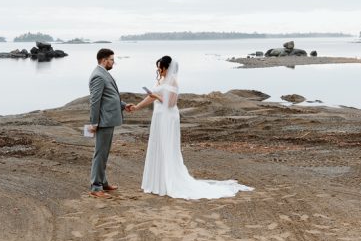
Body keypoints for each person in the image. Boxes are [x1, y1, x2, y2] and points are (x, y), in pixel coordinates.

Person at [133, 56, 253, 199]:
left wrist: (157, 97)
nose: (159, 70)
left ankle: (167, 181)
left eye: (161, 67)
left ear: (167, 68)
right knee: (157, 144)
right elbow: (152, 97)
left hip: (168, 117)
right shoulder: (160, 80)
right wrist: (137, 106)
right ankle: (157, 182)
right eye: (158, 67)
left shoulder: (173, 81)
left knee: (167, 146)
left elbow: (171, 103)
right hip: (158, 116)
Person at [87, 48, 134, 198]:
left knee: (104, 153)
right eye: (112, 60)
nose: (113, 62)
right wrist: (94, 123)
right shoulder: (98, 76)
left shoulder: (103, 74)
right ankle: (95, 187)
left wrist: (123, 105)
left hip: (108, 120)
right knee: (100, 154)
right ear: (104, 60)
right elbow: (95, 101)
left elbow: (110, 96)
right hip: (103, 122)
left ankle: (103, 182)